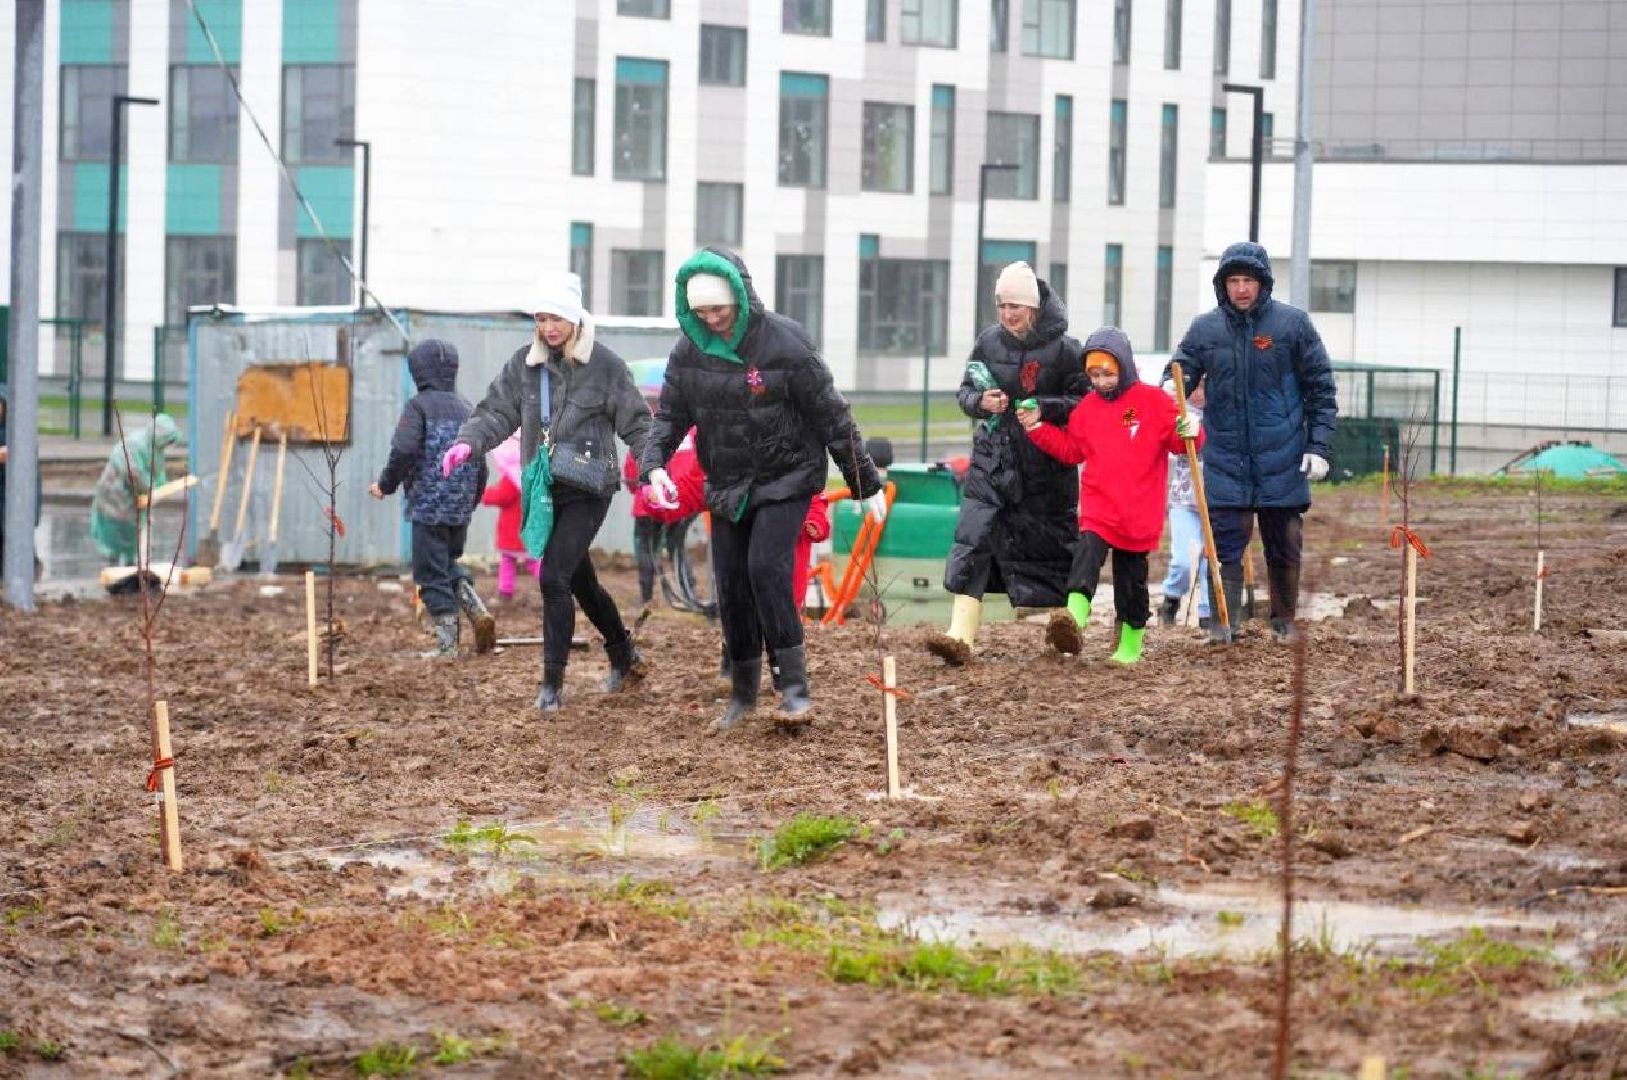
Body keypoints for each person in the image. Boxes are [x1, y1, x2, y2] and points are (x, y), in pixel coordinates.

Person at [639, 246, 885, 730]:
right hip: (728, 482)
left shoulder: (785, 343)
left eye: (719, 309)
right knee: (730, 583)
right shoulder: (689, 352)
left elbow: (831, 413)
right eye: (702, 312)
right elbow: (669, 416)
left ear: (740, 298)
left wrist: (864, 481)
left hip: (786, 476)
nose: (712, 320)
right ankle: (742, 694)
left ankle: (793, 689)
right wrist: (654, 466)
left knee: (765, 568)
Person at [444, 271, 653, 711]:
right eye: (541, 318)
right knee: (581, 581)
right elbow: (496, 411)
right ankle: (623, 651)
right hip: (546, 487)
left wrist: (653, 468)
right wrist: (468, 442)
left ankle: (551, 684)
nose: (548, 328)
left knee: (553, 577)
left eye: (556, 317)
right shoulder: (525, 365)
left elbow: (637, 422)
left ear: (574, 317)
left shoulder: (605, 365)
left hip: (590, 486)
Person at [1165, 241, 1338, 643]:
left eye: (1249, 281)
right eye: (1234, 281)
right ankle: (1224, 625)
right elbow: (1177, 376)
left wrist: (1318, 446)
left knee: (1284, 548)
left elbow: (1321, 390)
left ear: (1263, 284)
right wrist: (1180, 412)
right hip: (1226, 459)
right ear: (1222, 285)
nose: (1241, 289)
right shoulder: (1206, 329)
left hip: (1284, 459)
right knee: (1222, 548)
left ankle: (1283, 623)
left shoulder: (1292, 326)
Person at [925, 261, 1088, 666]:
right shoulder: (988, 342)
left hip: (1046, 467)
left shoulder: (1068, 350)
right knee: (975, 540)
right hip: (992, 463)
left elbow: (1084, 403)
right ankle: (960, 636)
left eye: (1014, 305)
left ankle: (1063, 627)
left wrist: (1045, 408)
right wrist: (980, 402)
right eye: (1001, 306)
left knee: (1052, 546)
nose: (1007, 314)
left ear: (1032, 307)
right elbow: (965, 390)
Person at [1020, 327, 1200, 664]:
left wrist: (1192, 429)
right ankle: (1073, 618)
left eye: (1108, 373)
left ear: (1124, 367)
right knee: (1086, 554)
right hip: (1099, 506)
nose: (1101, 381)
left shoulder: (1153, 401)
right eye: (1094, 374)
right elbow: (1072, 449)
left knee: (1132, 581)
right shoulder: (1087, 408)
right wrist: (1036, 427)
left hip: (1138, 511)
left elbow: (1181, 444)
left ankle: (1129, 647)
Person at [369, 339, 494, 657]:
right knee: (445, 564)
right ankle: (473, 604)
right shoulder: (468, 408)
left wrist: (385, 485)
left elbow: (404, 450)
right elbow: (481, 464)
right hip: (460, 508)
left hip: (428, 505)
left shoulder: (418, 407)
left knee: (429, 573)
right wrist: (470, 501)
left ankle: (448, 645)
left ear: (418, 372)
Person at [89, 413, 184, 566]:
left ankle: (130, 564)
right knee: (117, 527)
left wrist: (160, 488)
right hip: (116, 492)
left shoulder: (155, 449)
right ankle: (113, 562)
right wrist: (149, 488)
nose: (168, 445)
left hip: (135, 496)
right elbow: (132, 473)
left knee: (134, 529)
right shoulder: (135, 445)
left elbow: (158, 473)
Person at [1158, 381, 1210, 629]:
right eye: (1194, 387)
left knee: (1211, 562)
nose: (1198, 394)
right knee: (1183, 561)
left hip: (1218, 502)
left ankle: (1208, 613)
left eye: (1203, 387)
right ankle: (1171, 598)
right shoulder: (1178, 408)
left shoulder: (1223, 412)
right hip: (1184, 500)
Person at [481, 433, 540, 603]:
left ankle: (505, 592)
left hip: (512, 531)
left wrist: (483, 495)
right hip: (531, 529)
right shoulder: (534, 474)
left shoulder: (512, 478)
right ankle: (553, 586)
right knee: (534, 561)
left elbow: (501, 496)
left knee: (508, 561)